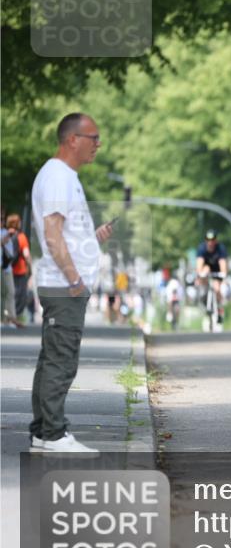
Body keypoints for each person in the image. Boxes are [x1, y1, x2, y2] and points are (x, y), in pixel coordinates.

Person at [29, 112, 114, 454]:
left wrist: (93, 239)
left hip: (64, 284)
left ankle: (43, 432)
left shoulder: (64, 177)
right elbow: (52, 234)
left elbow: (66, 233)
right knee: (61, 361)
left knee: (52, 358)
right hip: (64, 287)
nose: (98, 144)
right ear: (72, 140)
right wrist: (74, 280)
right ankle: (53, 434)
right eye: (93, 138)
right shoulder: (58, 177)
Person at [195, 229, 228, 327]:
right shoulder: (202, 248)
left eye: (212, 240)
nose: (210, 242)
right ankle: (204, 296)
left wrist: (224, 275)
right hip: (206, 272)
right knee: (206, 269)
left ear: (215, 240)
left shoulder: (220, 248)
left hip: (217, 272)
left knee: (217, 288)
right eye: (208, 240)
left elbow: (223, 264)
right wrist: (199, 276)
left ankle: (219, 308)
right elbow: (199, 264)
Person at [6, 213, 33, 322]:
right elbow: (26, 254)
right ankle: (13, 317)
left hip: (7, 269)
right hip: (20, 271)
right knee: (20, 296)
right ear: (17, 223)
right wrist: (30, 266)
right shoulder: (21, 237)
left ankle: (7, 316)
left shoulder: (5, 235)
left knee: (8, 294)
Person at [1, 206, 24, 327]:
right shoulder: (6, 234)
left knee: (10, 292)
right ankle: (3, 319)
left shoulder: (7, 233)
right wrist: (4, 240)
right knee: (2, 293)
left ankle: (12, 318)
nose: (2, 221)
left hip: (7, 267)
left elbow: (11, 251)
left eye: (3, 219)